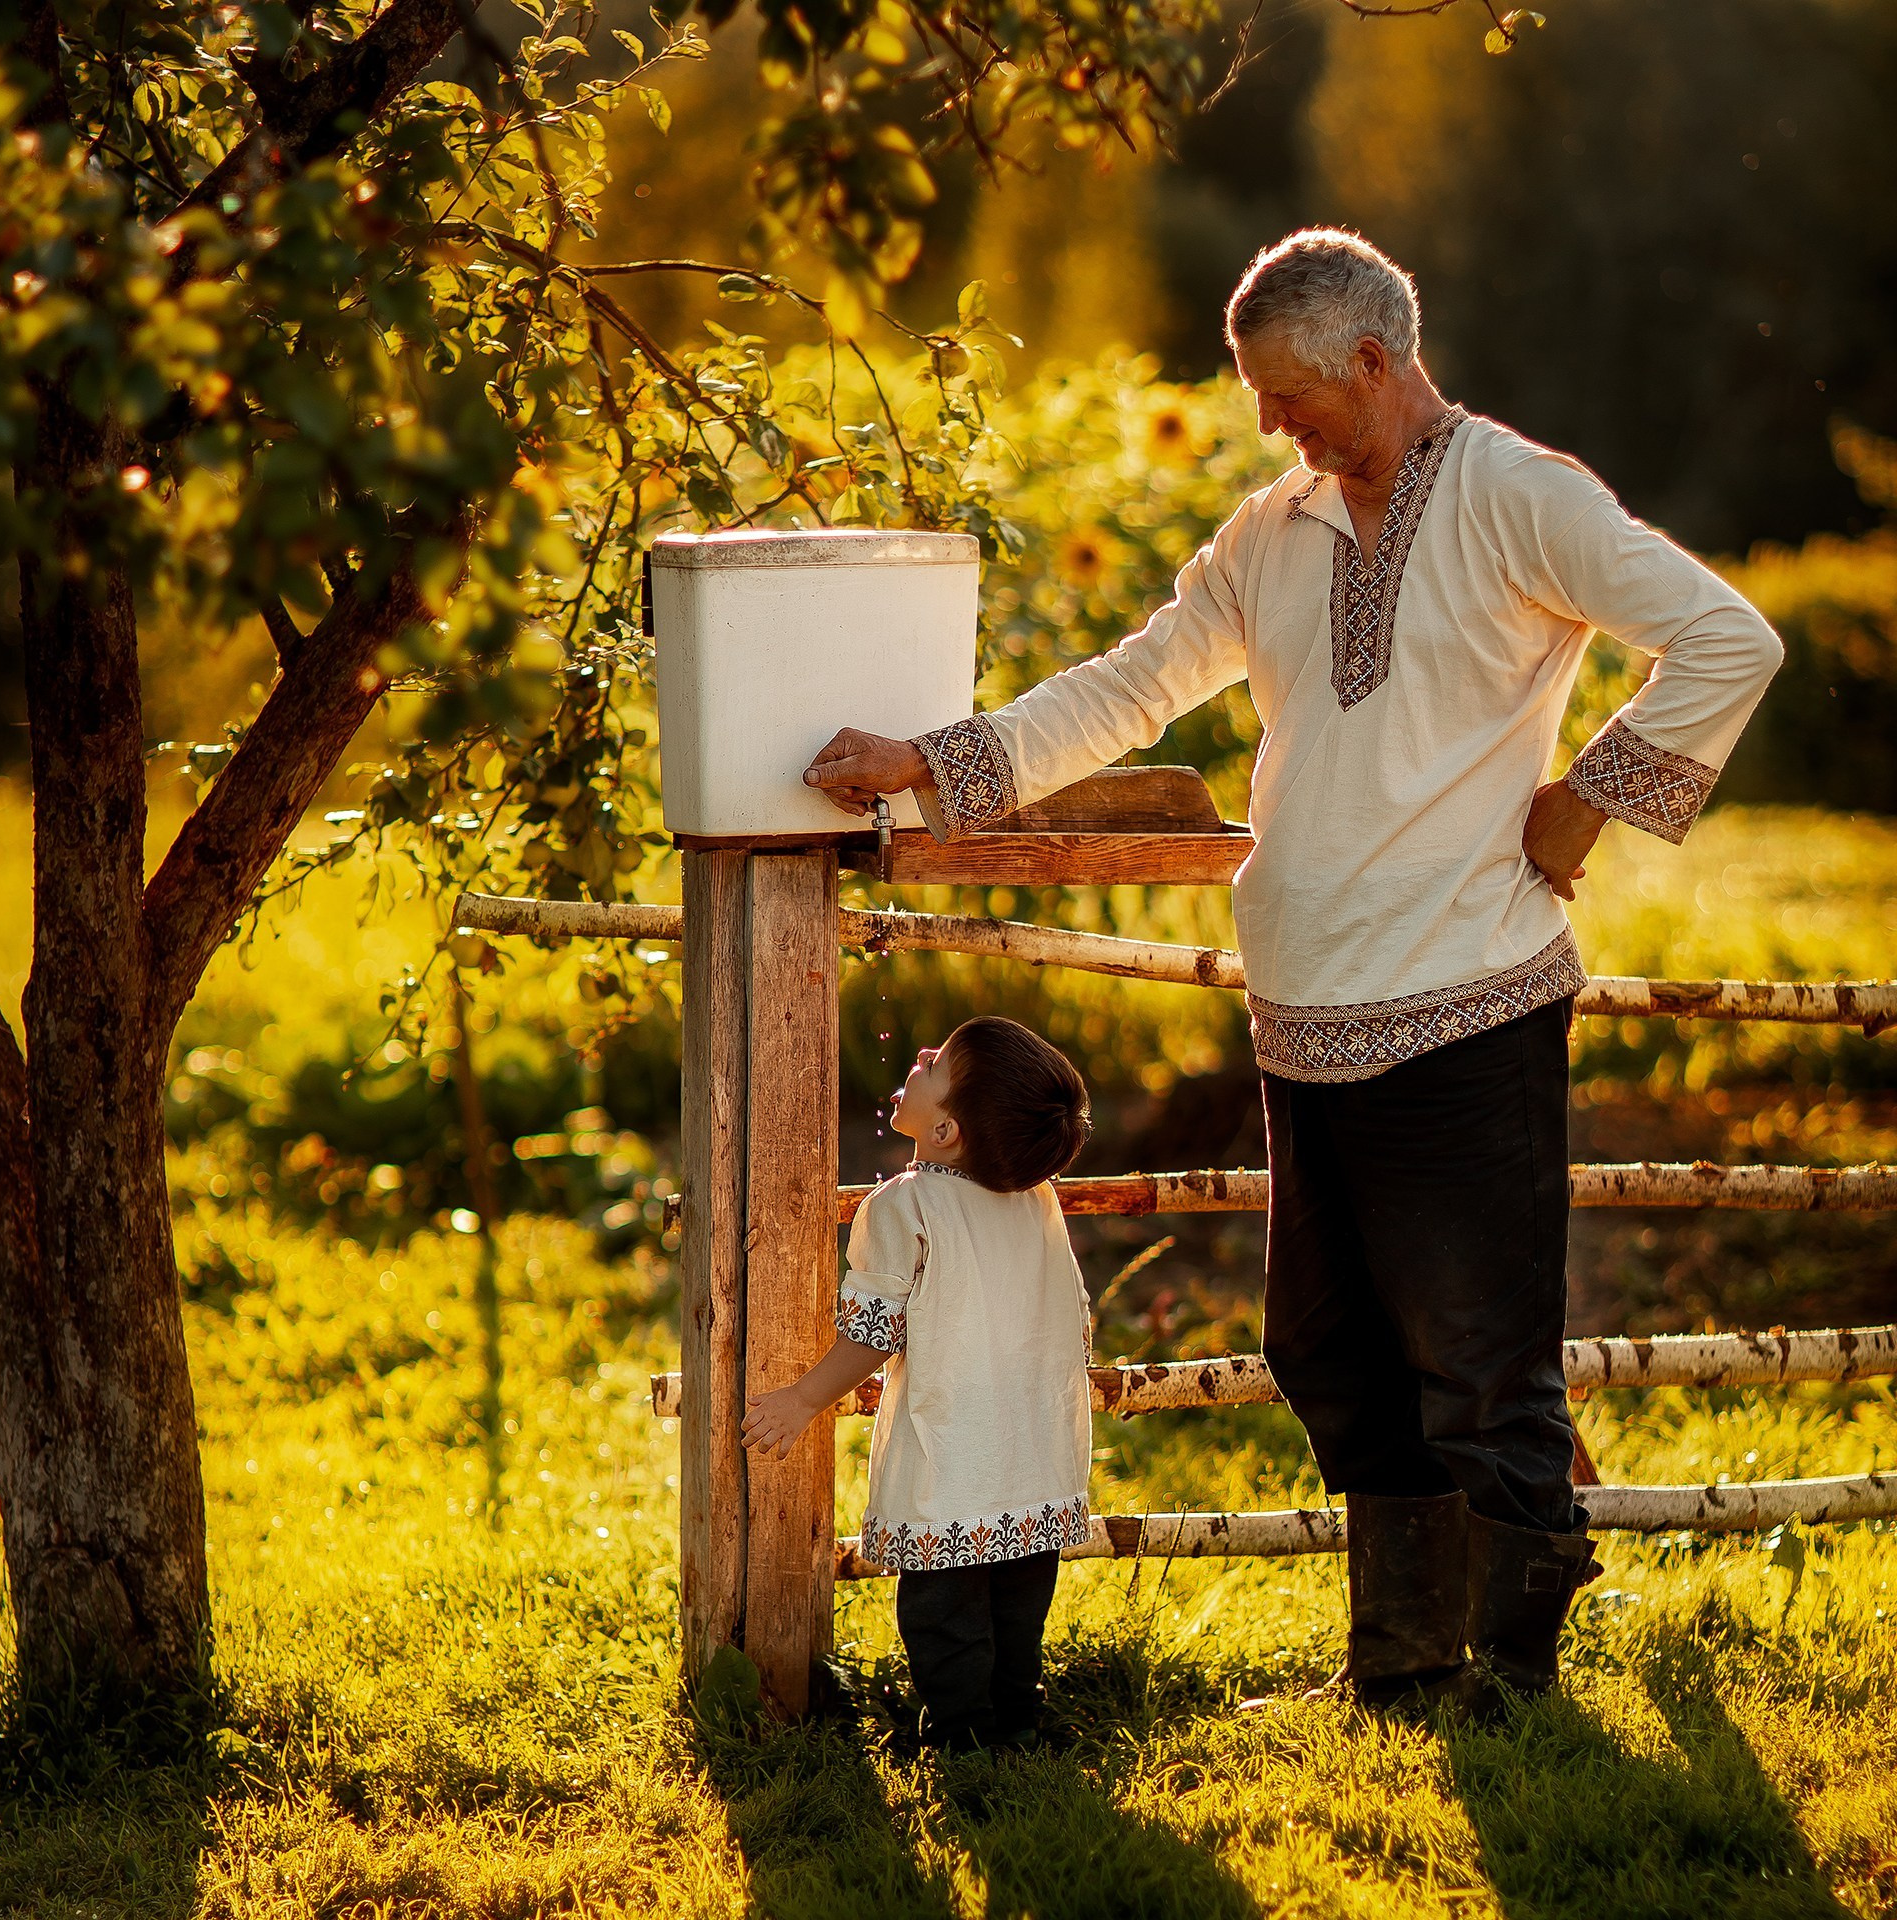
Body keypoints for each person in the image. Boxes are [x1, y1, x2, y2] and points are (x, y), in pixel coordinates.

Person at [797, 229, 1783, 1713]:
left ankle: (1510, 1686)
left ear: (1376, 361)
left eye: (1287, 393)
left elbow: (1727, 637)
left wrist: (1587, 795)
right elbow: (1134, 683)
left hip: (1472, 1007)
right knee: (1326, 1352)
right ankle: (1400, 1669)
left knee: (1479, 1370)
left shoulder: (1522, 498)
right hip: (1303, 1021)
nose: (1270, 424)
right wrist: (931, 768)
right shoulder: (1274, 529)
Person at [743, 1015, 1094, 1750]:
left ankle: (960, 1736)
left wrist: (804, 1398)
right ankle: (1018, 1722)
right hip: (1035, 1449)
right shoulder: (1038, 1201)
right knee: (1018, 1605)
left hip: (955, 1454)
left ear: (945, 1134)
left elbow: (875, 1328)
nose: (924, 1053)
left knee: (944, 1608)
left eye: (940, 1066)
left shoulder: (904, 1206)